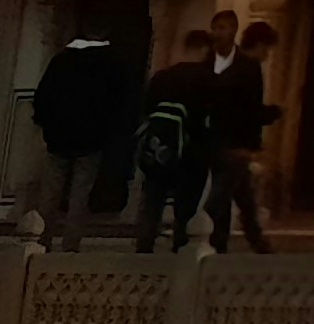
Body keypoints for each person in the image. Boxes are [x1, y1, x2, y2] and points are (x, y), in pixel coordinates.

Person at [27, 22, 139, 250]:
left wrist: (46, 125)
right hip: (91, 140)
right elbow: (121, 104)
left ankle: (40, 238)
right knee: (80, 194)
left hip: (58, 138)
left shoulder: (62, 60)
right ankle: (71, 243)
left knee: (51, 193)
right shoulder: (113, 63)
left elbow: (43, 97)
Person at [131, 33, 223, 253]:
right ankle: (180, 249)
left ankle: (143, 249)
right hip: (193, 153)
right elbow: (212, 118)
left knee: (152, 201)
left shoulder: (163, 76)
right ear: (205, 50)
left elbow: (145, 111)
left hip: (159, 149)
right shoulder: (208, 80)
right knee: (186, 206)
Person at [209, 21, 280, 252]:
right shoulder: (249, 69)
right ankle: (217, 240)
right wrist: (274, 113)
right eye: (266, 49)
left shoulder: (231, 66)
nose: (267, 55)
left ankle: (255, 240)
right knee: (225, 194)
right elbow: (248, 109)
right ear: (260, 45)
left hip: (222, 140)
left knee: (242, 194)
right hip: (235, 143)